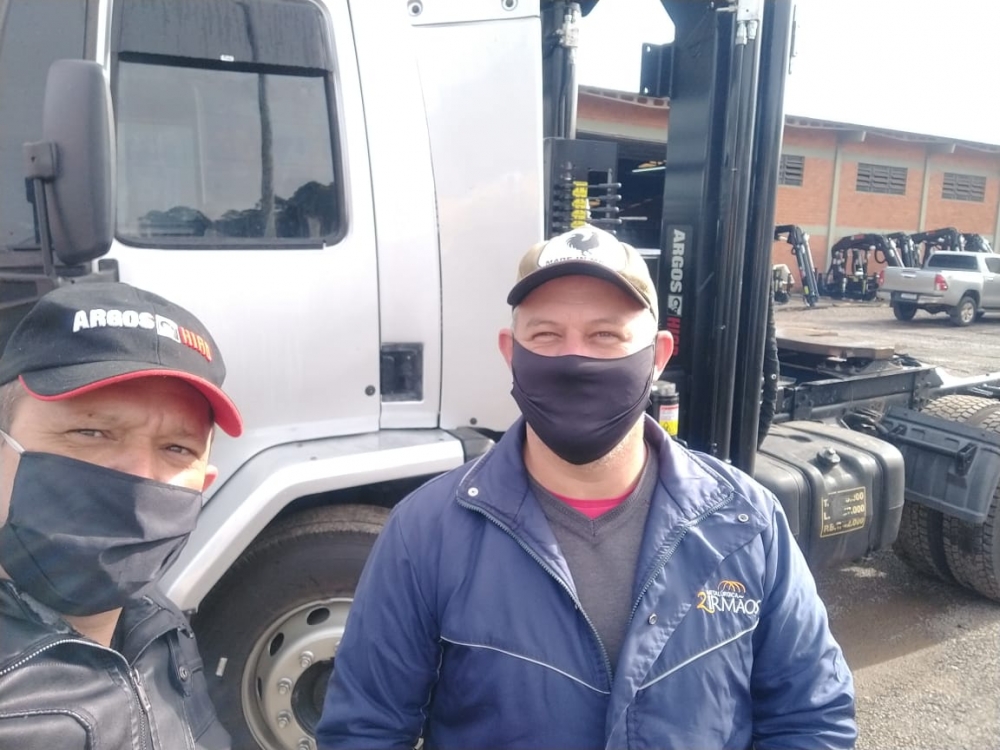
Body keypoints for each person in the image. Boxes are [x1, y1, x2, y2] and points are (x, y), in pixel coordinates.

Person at [316, 225, 857, 749]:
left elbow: (811, 717)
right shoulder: (426, 532)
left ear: (658, 355)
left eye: (605, 335)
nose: (574, 360)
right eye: (546, 335)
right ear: (510, 352)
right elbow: (363, 731)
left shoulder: (746, 522)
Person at [0, 282, 243, 749]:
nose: (138, 476)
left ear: (204, 483)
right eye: (90, 432)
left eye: (177, 448)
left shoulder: (160, 624)